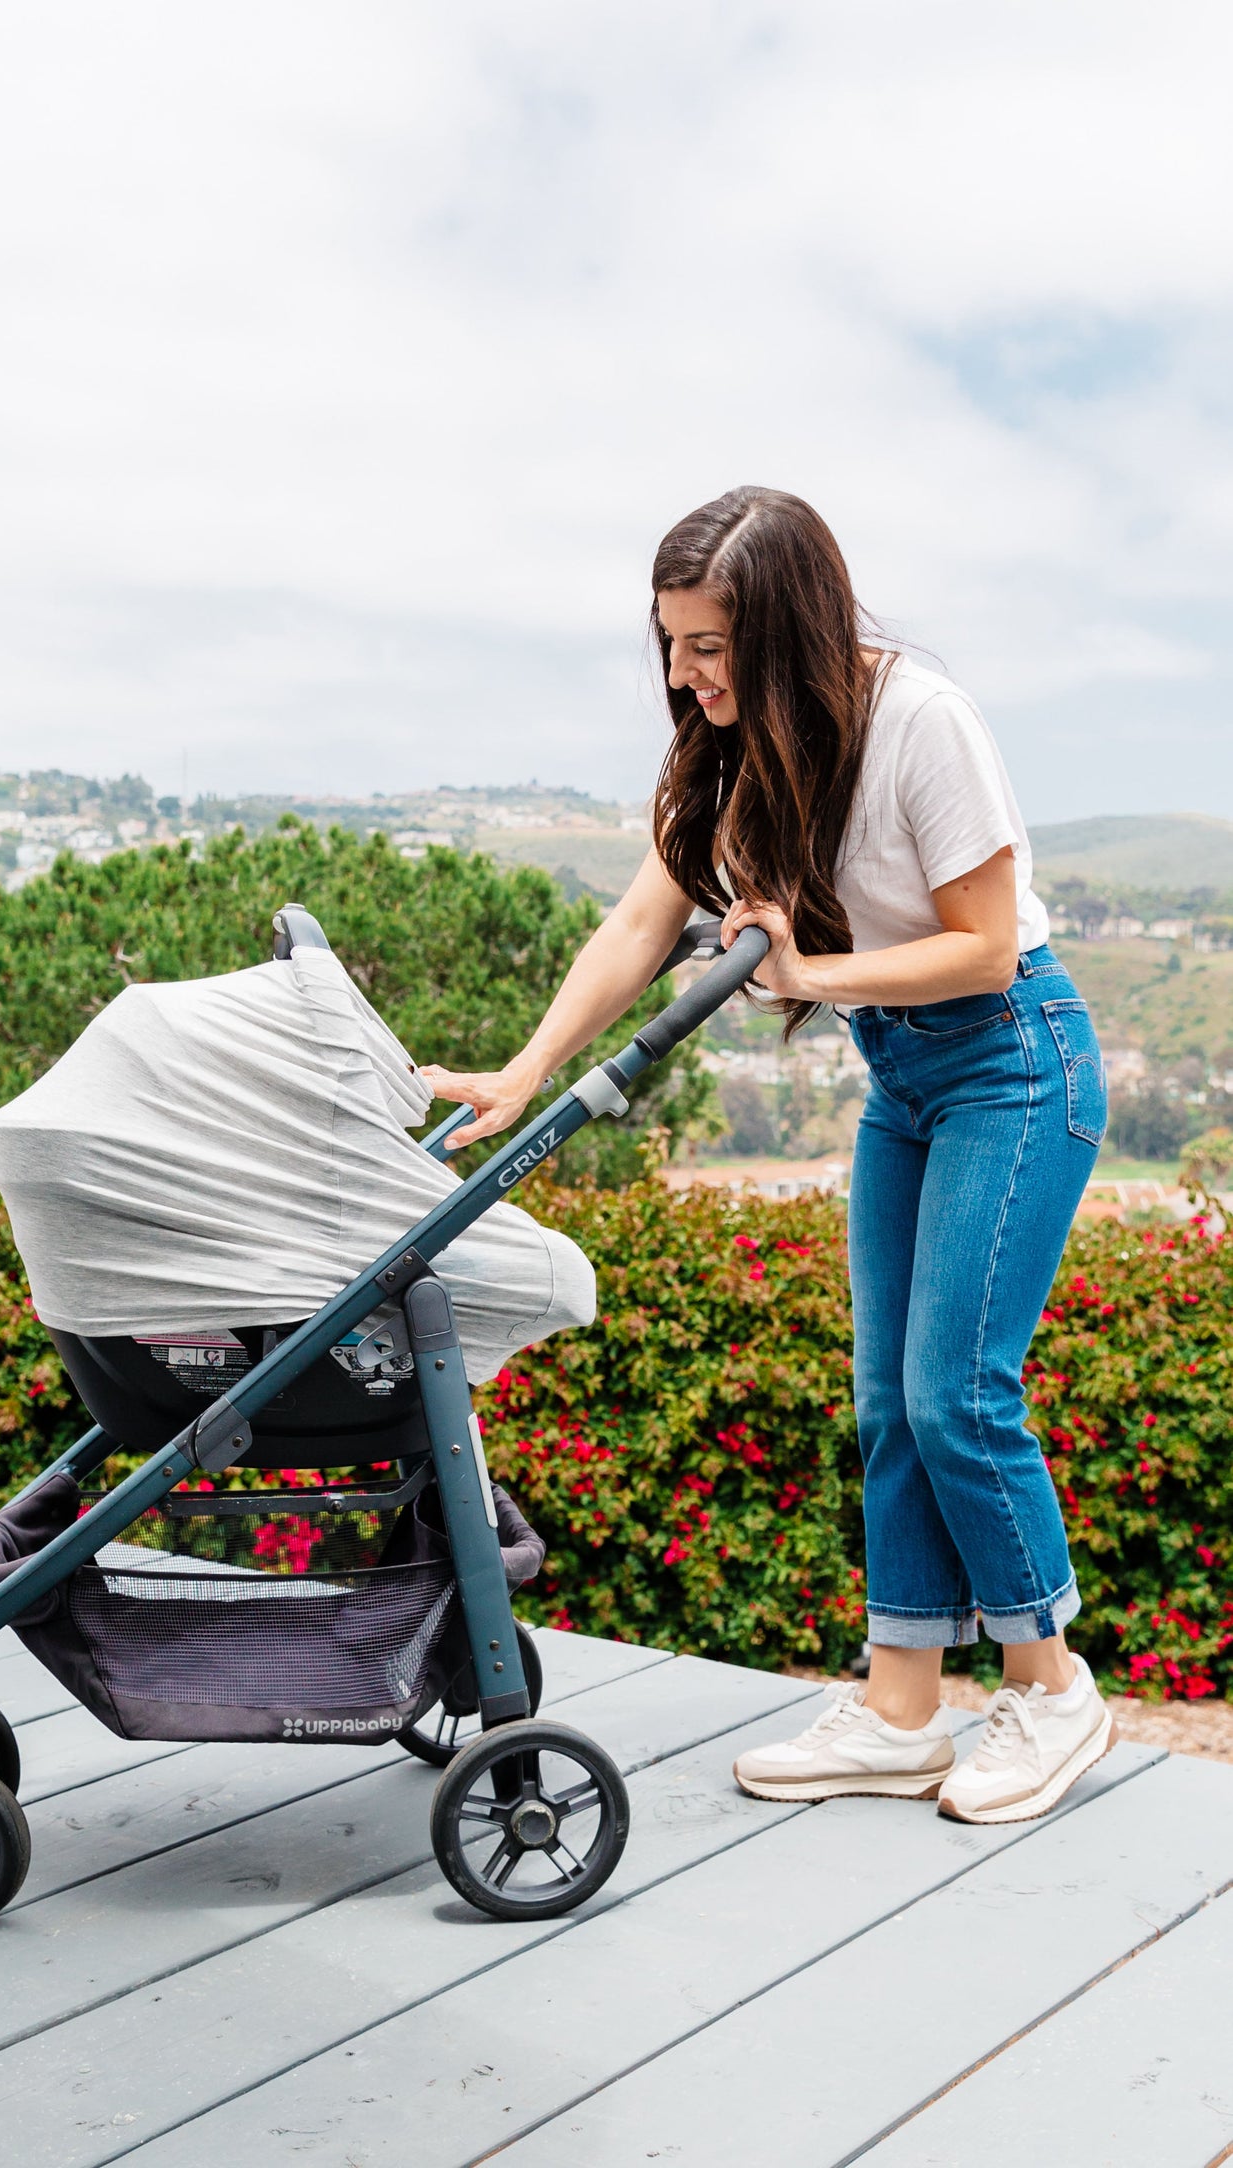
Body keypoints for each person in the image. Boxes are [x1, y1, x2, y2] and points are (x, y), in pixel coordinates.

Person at [422, 485, 1113, 1826]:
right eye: (670, 644)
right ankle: (903, 1705)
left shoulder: (918, 719)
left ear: (785, 627)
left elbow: (980, 942)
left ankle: (1050, 1687)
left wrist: (815, 968)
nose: (681, 674)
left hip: (1012, 1061)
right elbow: (637, 922)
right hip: (905, 1076)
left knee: (956, 1396)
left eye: (708, 647)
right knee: (883, 1404)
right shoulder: (738, 751)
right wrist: (523, 1070)